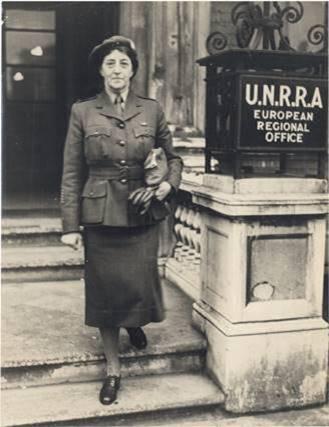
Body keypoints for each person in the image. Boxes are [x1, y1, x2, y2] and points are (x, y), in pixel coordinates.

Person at [60, 35, 183, 405]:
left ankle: (134, 322)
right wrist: (70, 226)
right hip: (100, 213)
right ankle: (113, 370)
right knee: (104, 293)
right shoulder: (83, 111)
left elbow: (174, 159)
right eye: (110, 63)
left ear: (133, 71)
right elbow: (71, 170)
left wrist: (165, 186)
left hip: (142, 211)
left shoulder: (151, 110)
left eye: (124, 64)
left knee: (138, 285)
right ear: (101, 70)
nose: (117, 70)